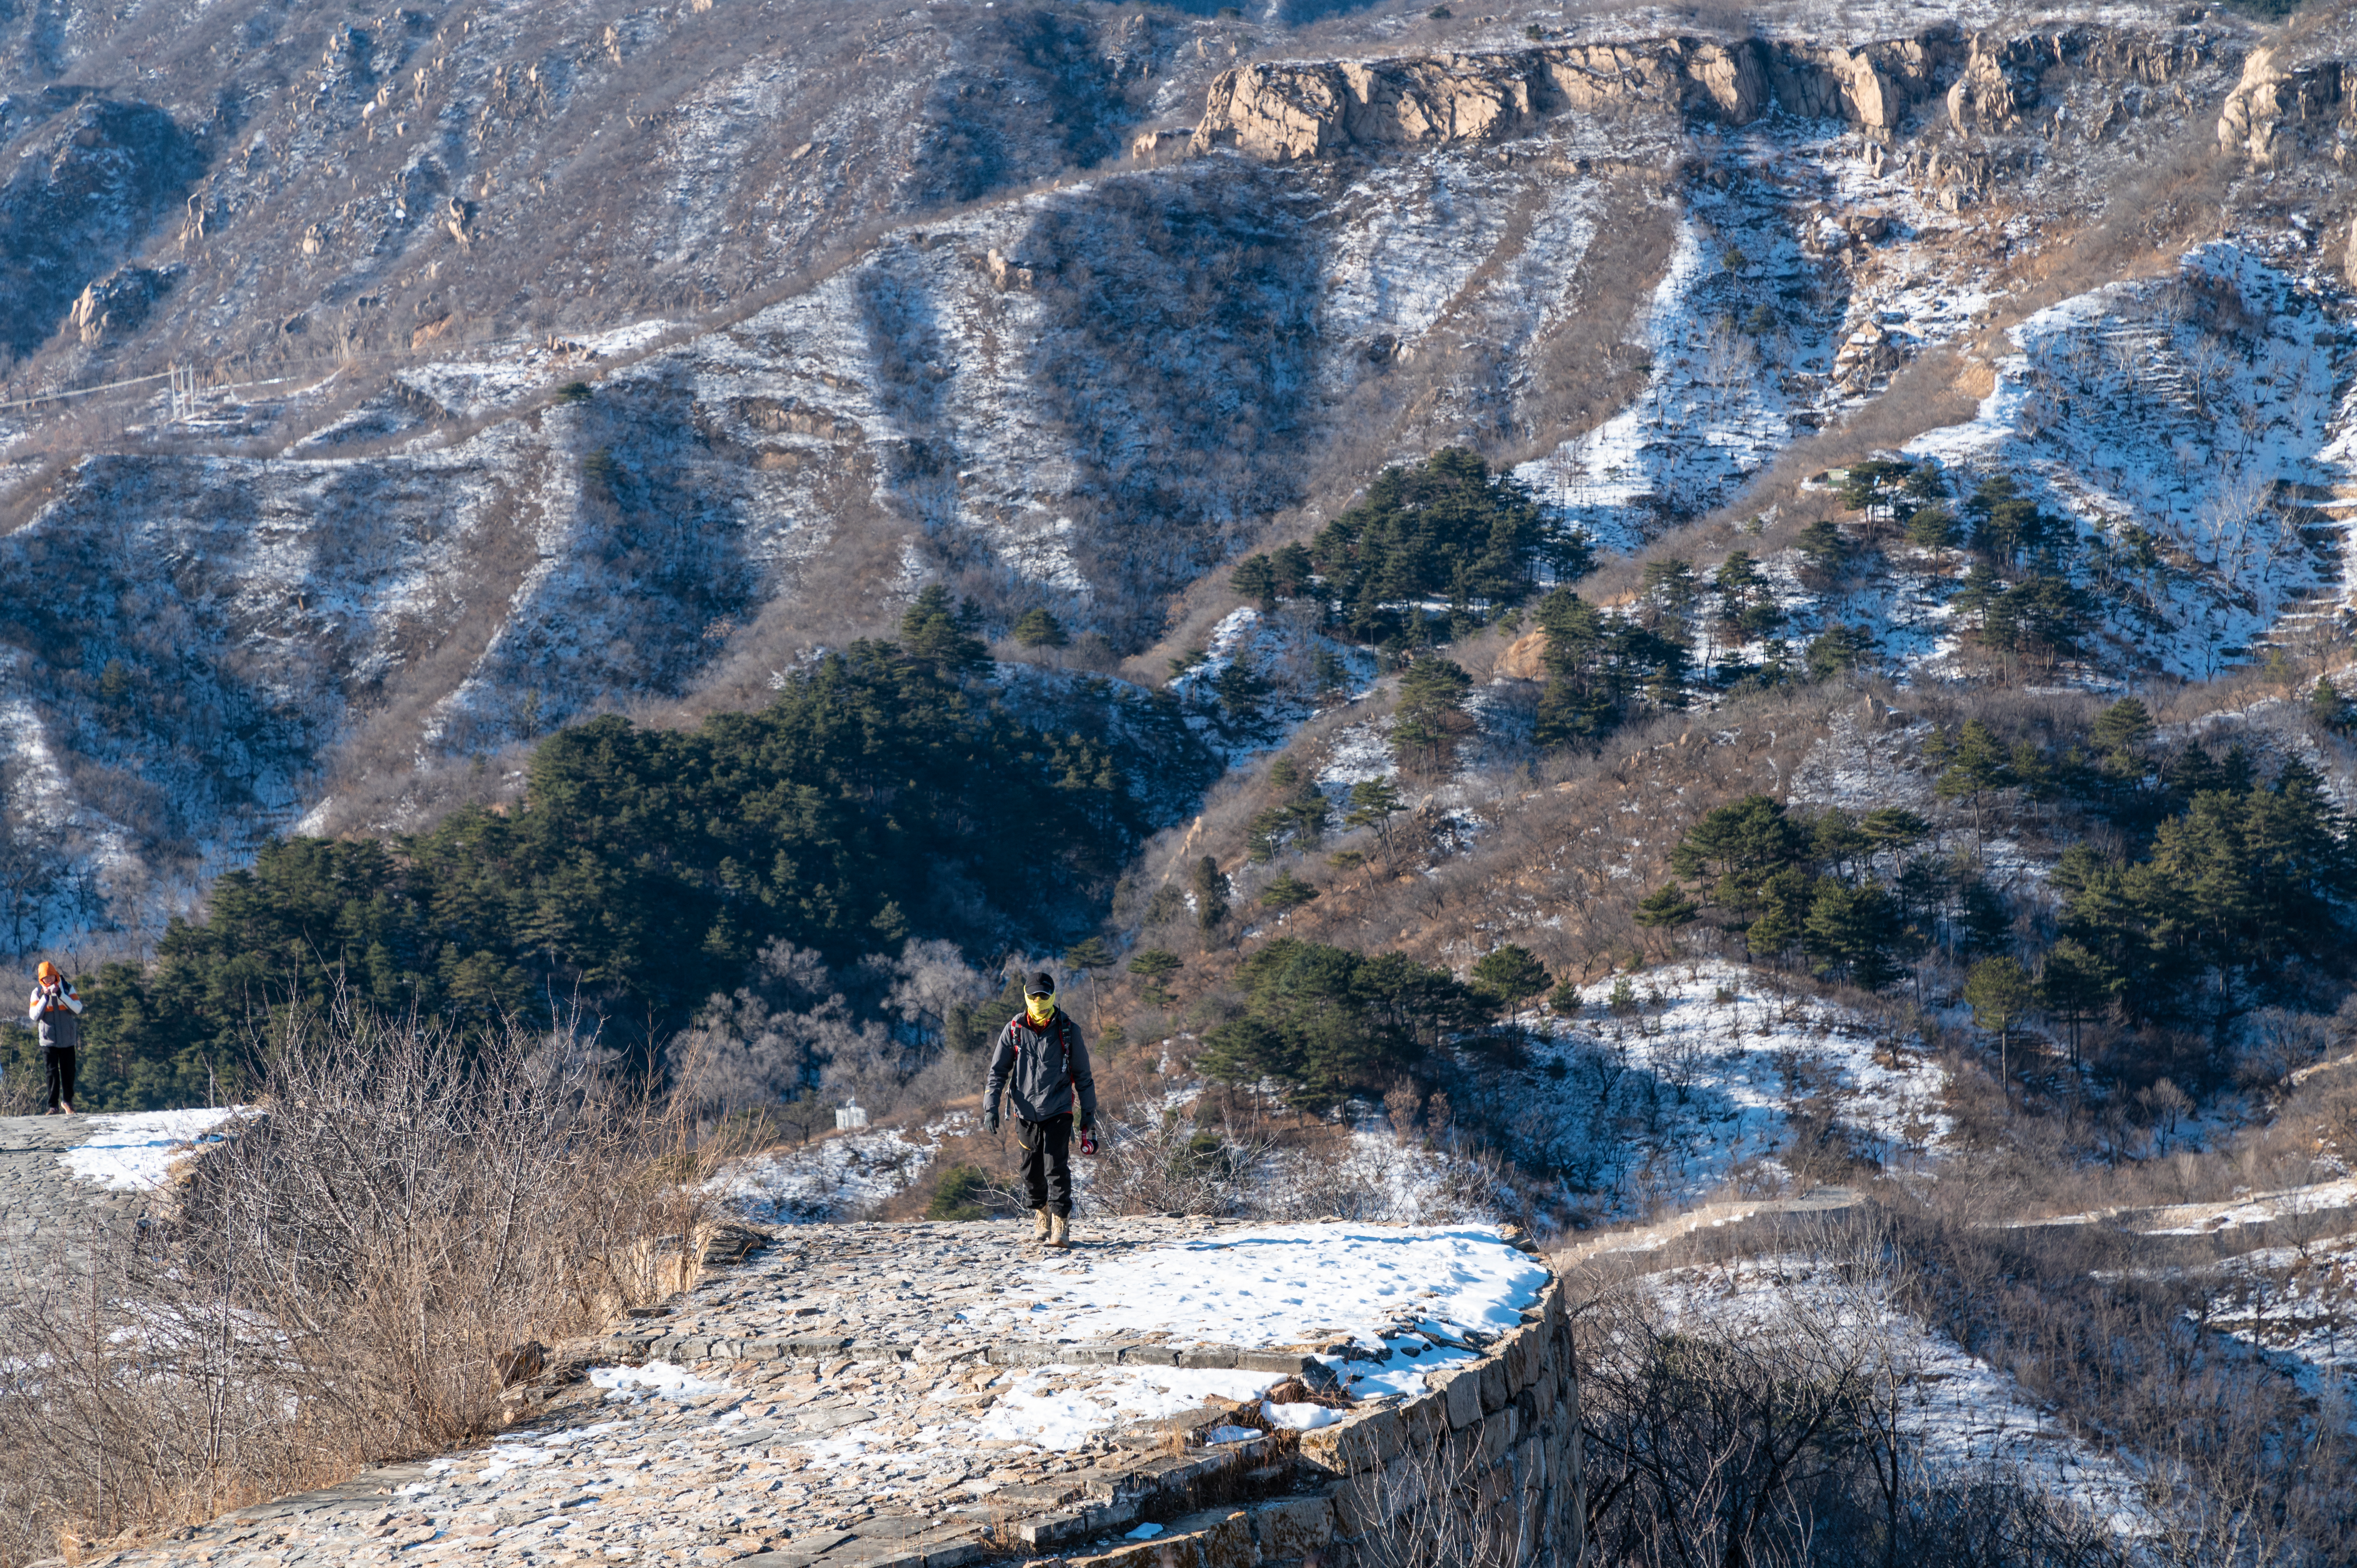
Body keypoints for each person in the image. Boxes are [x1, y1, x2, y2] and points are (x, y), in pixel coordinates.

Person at [983, 970, 1096, 1249]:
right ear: (1026, 996)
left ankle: (1061, 1221)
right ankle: (1041, 1212)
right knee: (1030, 1171)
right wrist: (991, 1107)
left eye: (1043, 995)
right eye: (1033, 995)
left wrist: (1089, 1119)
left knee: (1055, 1167)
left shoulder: (1068, 1030)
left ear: (1052, 996)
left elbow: (1083, 1076)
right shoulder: (1014, 1029)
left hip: (1058, 1108)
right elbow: (998, 1071)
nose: (1037, 1000)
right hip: (1025, 1111)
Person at [27, 960, 83, 1116]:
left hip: (67, 1038)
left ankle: (67, 1102)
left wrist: (61, 995)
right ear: (41, 979)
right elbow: (34, 1016)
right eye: (46, 978)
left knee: (69, 1071)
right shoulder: (37, 993)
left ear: (56, 975)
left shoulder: (67, 988)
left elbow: (77, 1009)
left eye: (51, 976)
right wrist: (45, 998)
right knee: (51, 1073)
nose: (49, 980)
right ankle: (53, 1106)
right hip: (48, 1040)